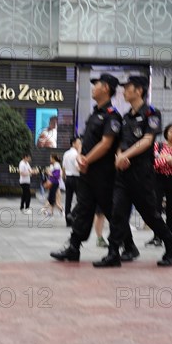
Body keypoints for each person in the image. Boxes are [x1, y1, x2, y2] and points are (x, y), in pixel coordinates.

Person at [93, 76, 172, 268]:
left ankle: (171, 247)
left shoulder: (151, 113)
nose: (124, 91)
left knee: (150, 215)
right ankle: (113, 253)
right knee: (117, 213)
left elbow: (147, 140)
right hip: (123, 175)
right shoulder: (126, 117)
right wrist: (119, 157)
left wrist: (126, 156)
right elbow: (120, 143)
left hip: (142, 174)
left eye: (128, 88)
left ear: (139, 90)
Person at [50, 73, 124, 263]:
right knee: (83, 209)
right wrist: (83, 158)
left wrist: (86, 160)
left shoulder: (112, 116)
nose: (93, 88)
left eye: (96, 84)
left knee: (111, 211)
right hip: (88, 172)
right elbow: (88, 141)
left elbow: (107, 144)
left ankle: (116, 250)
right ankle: (74, 247)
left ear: (106, 88)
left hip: (103, 173)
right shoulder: (95, 114)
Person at [148, 122, 172, 246]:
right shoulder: (157, 146)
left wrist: (171, 162)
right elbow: (154, 163)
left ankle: (169, 235)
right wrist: (167, 159)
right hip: (158, 179)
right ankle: (157, 236)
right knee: (156, 208)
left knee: (171, 209)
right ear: (166, 133)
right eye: (171, 131)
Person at [62, 137, 81, 226]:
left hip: (68, 178)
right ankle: (73, 215)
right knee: (81, 199)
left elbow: (64, 167)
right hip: (76, 178)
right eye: (79, 143)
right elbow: (78, 167)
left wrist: (63, 177)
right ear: (73, 144)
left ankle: (68, 221)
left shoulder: (66, 154)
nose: (80, 144)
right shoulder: (76, 154)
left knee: (68, 200)